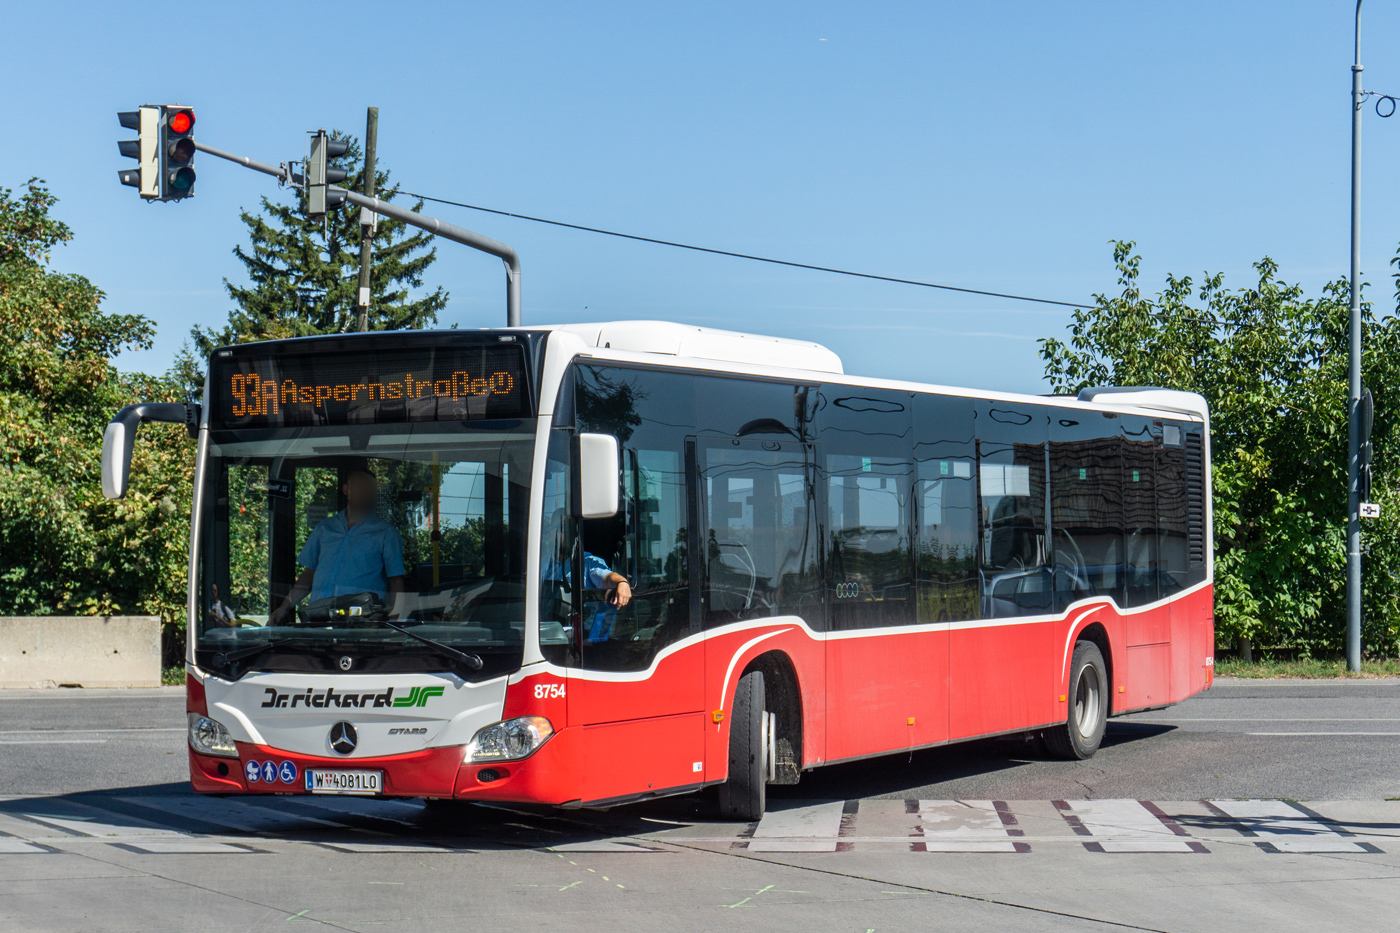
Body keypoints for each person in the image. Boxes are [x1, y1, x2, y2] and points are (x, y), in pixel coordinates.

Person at [271, 466, 405, 624]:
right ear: (346, 489)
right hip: (318, 621)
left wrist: (396, 621)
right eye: (360, 487)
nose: (365, 493)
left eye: (370, 489)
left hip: (360, 625)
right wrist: (284, 607)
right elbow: (309, 575)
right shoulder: (324, 528)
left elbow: (396, 581)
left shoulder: (386, 533)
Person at [541, 510, 631, 642]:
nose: (562, 533)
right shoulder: (540, 565)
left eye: (566, 528)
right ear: (549, 533)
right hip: (543, 634)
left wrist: (622, 583)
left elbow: (607, 577)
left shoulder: (587, 562)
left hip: (577, 638)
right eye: (558, 528)